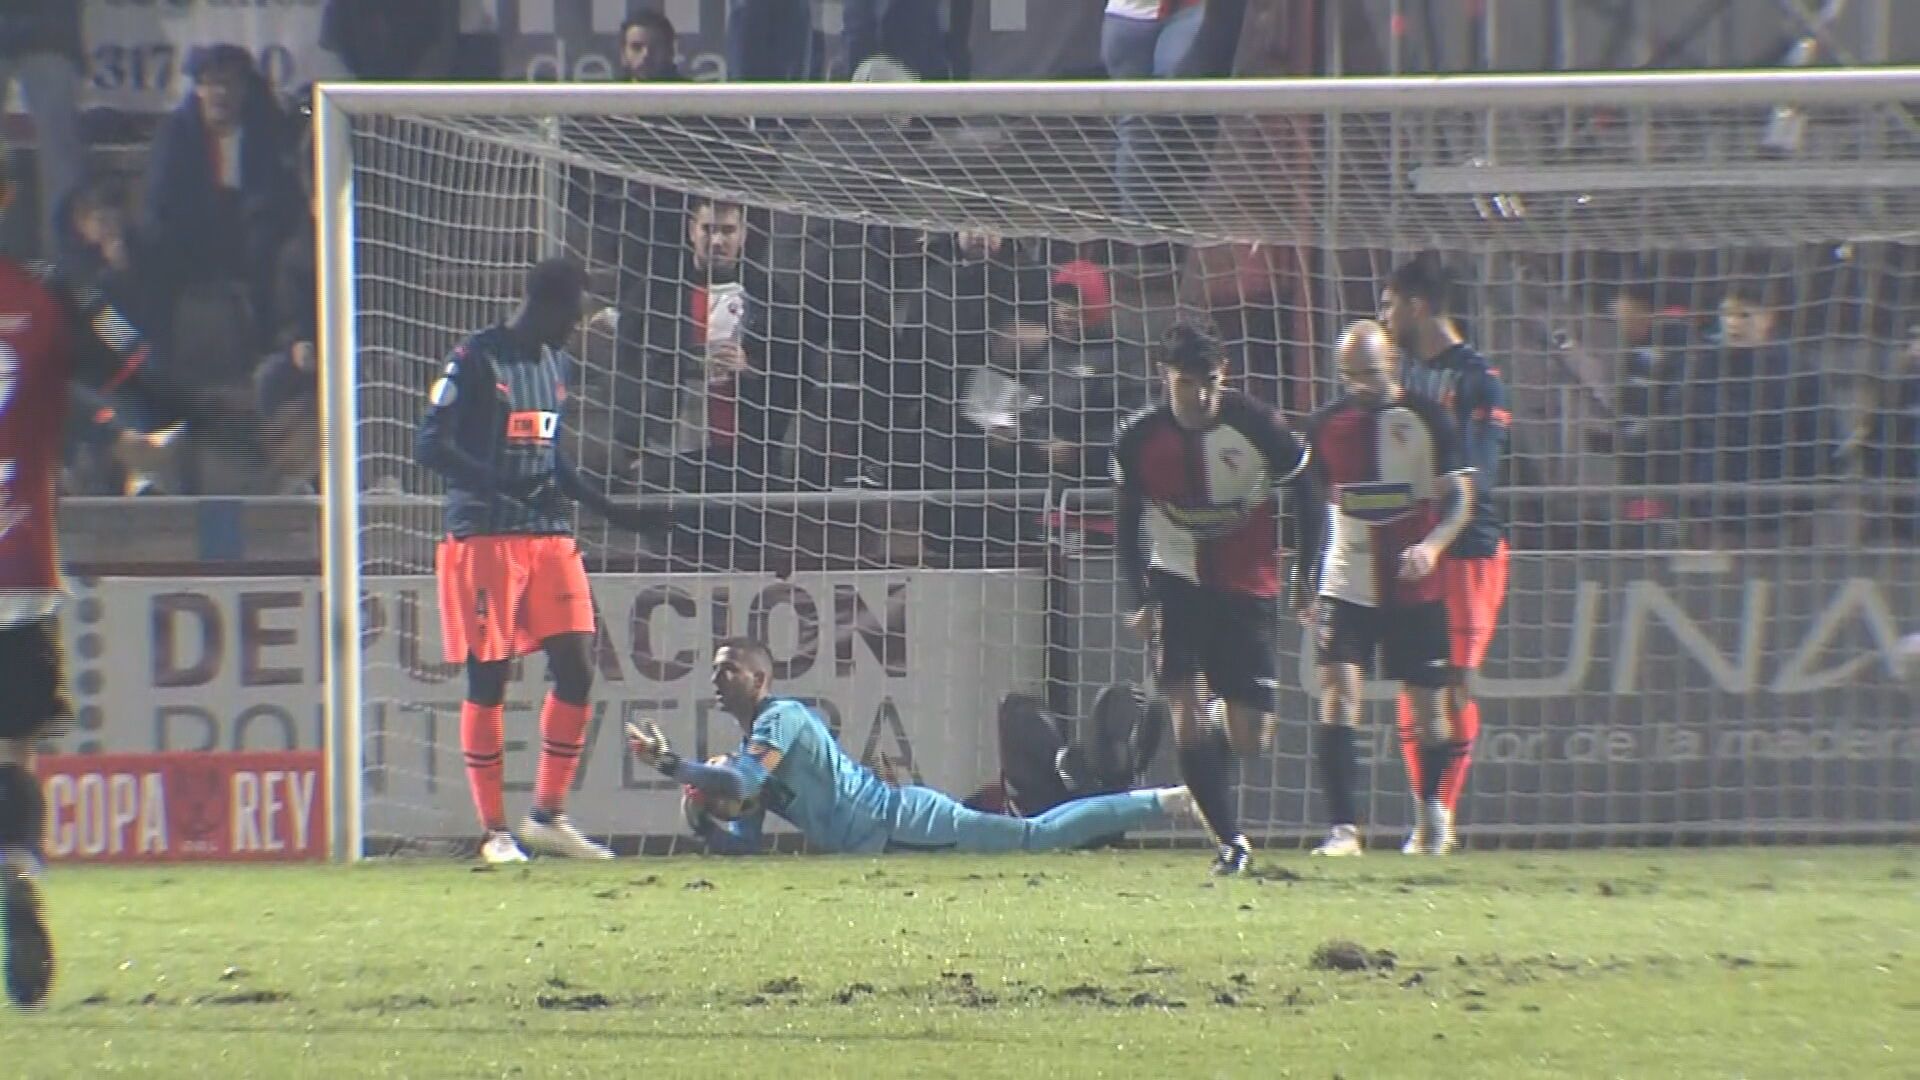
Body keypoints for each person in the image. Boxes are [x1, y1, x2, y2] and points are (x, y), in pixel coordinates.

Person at [0, 136, 266, 1009]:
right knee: (13, 743)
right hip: (17, 565)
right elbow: (143, 374)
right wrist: (226, 427)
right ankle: (14, 867)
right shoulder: (49, 293)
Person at [414, 257, 665, 864]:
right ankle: (495, 832)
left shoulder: (558, 365)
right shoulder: (476, 359)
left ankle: (547, 817)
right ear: (546, 306)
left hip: (548, 535)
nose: (575, 329)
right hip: (485, 536)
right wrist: (500, 483)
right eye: (572, 318)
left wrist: (610, 509)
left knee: (577, 667)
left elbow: (550, 458)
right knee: (489, 677)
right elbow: (430, 444)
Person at [626, 639, 1195, 855]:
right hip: (886, 839)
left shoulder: (783, 719)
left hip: (900, 822)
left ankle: (1168, 801)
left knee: (1035, 837)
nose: (716, 679)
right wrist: (703, 826)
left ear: (759, 678)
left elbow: (741, 782)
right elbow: (745, 843)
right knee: (1026, 839)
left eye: (727, 669)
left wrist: (674, 765)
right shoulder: (755, 749)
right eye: (714, 670)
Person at [1108, 321, 1318, 876]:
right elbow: (1127, 528)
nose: (1199, 396)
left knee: (1250, 736)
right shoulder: (1137, 439)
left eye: (1210, 383)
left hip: (1248, 588)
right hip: (1176, 584)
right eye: (1186, 383)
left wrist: (1307, 572)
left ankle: (1210, 767)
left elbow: (1308, 493)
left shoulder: (1258, 425)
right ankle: (1231, 843)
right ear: (1165, 377)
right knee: (1187, 714)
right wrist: (1139, 598)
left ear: (1223, 376)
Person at [1300, 321, 1471, 858]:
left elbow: (1460, 500)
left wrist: (1433, 547)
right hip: (1346, 580)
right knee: (1338, 695)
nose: (1361, 385)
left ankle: (1432, 814)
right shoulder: (1324, 425)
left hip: (1413, 584)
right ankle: (1343, 830)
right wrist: (1306, 581)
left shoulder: (1429, 418)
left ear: (1392, 363)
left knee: (1429, 713)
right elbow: (1311, 510)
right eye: (1351, 375)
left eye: (1370, 373)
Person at [1379, 255, 1510, 853]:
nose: (1383, 317)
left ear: (1416, 306)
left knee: (1452, 684)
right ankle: (1425, 807)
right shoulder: (1397, 375)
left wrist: (1437, 487)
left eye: (1389, 305)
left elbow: (1480, 473)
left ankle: (1439, 814)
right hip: (1405, 544)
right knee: (1415, 686)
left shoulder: (1478, 379)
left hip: (1467, 549)